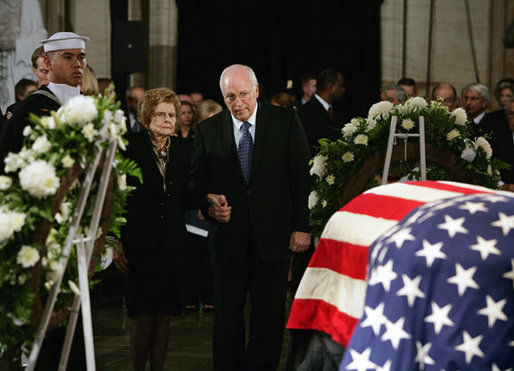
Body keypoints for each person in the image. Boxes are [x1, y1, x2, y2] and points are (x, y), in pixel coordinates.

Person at [188, 64, 311, 370]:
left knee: (268, 317)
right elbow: (193, 184)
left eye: (244, 93)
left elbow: (301, 178)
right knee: (227, 318)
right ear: (222, 96)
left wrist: (302, 228)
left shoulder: (285, 121)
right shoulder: (208, 129)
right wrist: (208, 202)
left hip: (274, 236)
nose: (238, 102)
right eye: (230, 96)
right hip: (228, 239)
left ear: (257, 91)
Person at [113, 87, 191, 371]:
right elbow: (114, 197)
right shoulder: (128, 146)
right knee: (142, 315)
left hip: (171, 243)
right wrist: (114, 239)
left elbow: (189, 192)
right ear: (146, 118)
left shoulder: (184, 149)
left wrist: (209, 198)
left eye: (172, 114)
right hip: (138, 243)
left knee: (164, 315)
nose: (169, 120)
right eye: (161, 114)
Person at [1, 31, 88, 172]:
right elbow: (6, 163)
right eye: (68, 57)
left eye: (81, 57)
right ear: (48, 62)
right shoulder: (24, 110)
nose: (77, 64)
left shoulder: (94, 107)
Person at [299, 69, 345, 156]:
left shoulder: (337, 112)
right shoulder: (306, 112)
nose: (343, 89)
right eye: (340, 86)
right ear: (330, 86)